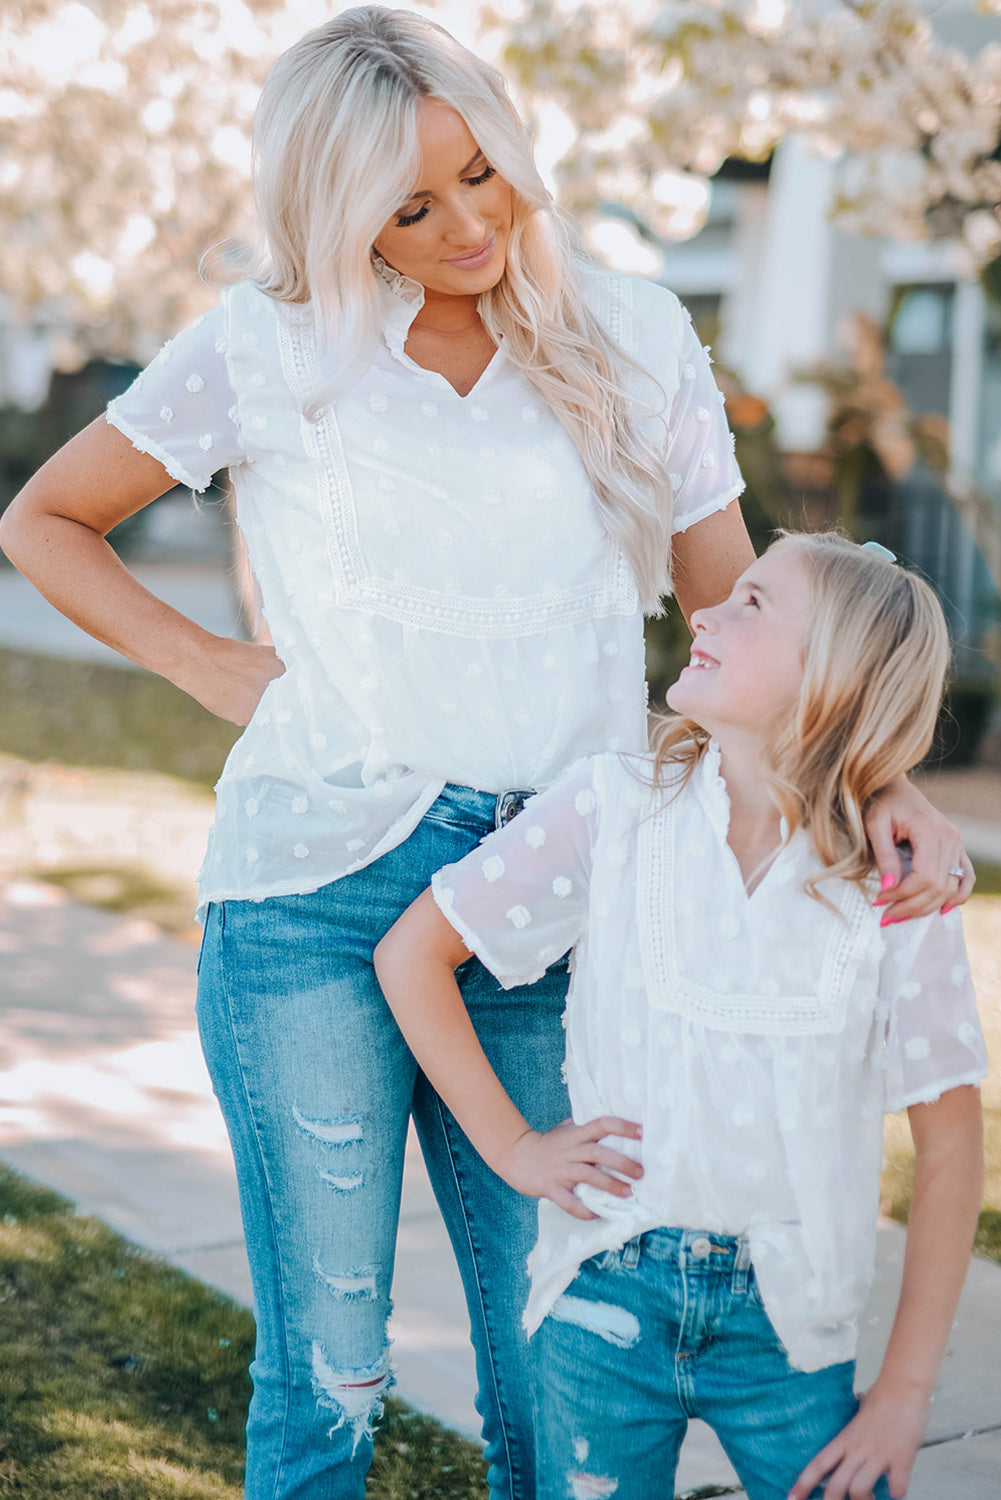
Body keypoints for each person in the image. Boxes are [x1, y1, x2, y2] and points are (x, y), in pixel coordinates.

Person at [0, 7, 972, 1498]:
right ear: (340, 216)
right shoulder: (266, 347)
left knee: (552, 1353)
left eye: (482, 174)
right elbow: (43, 521)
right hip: (310, 900)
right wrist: (212, 667)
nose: (468, 223)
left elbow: (741, 602)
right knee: (326, 1368)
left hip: (557, 900)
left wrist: (875, 774)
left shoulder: (634, 332)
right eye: (410, 206)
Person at [375, 533, 986, 1500]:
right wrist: (515, 1149)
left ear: (830, 672)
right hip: (599, 1297)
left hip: (791, 1320)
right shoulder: (611, 811)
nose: (703, 612)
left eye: (750, 602)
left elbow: (950, 1149)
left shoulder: (897, 885)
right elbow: (411, 955)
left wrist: (906, 1393)